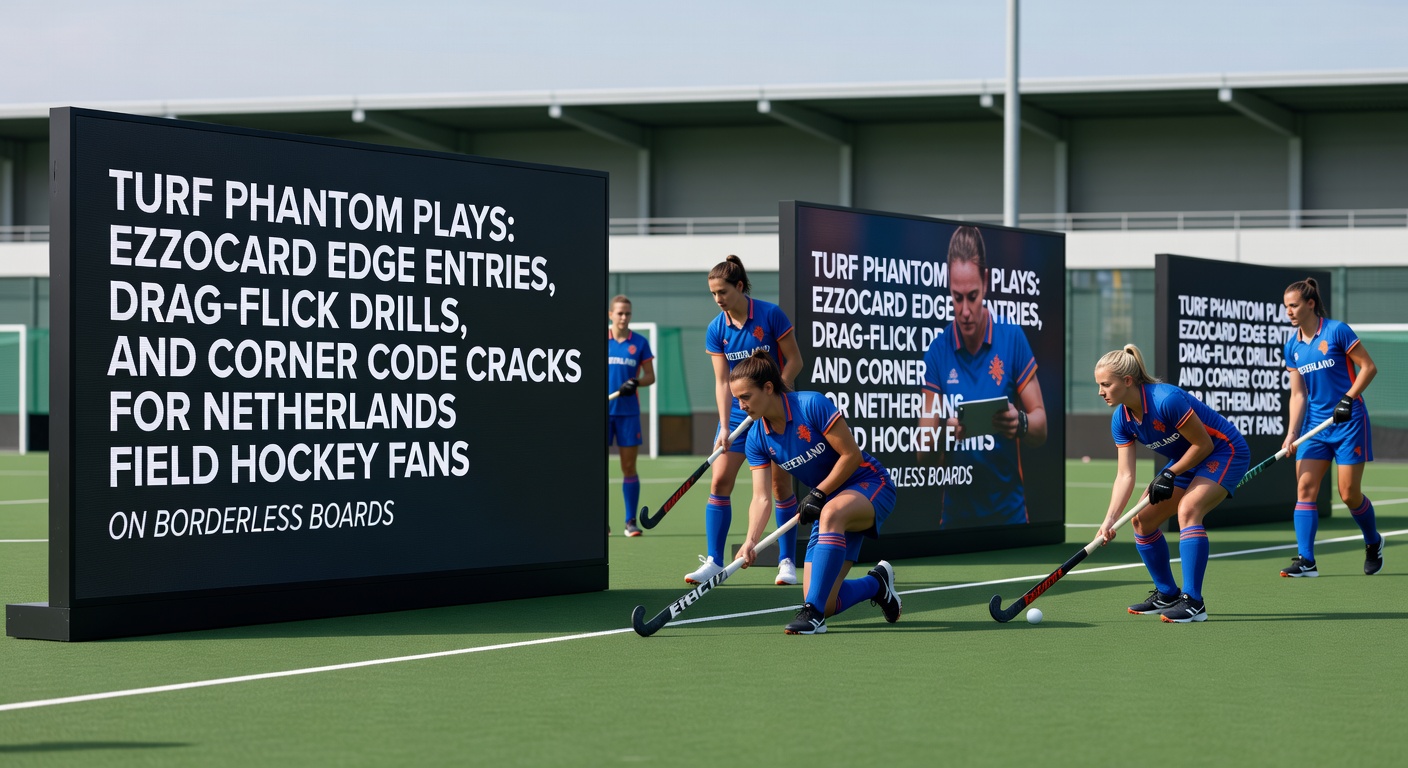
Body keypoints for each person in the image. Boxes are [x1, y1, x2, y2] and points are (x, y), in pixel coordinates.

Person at [730, 350, 902, 635]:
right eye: (737, 399)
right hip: (828, 502)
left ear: (768, 388)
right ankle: (878, 585)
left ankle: (813, 618)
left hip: (869, 485)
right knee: (824, 599)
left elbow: (851, 455)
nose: (741, 405)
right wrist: (750, 541)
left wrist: (819, 494)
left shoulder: (811, 404)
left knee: (831, 517)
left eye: (745, 396)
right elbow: (761, 498)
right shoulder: (756, 439)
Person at [1094, 344, 1250, 623]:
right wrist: (1109, 519)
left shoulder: (1166, 400)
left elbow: (1203, 444)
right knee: (1142, 520)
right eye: (1099, 385)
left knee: (1189, 510)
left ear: (1127, 381)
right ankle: (1167, 594)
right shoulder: (1122, 419)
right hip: (1186, 458)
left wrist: (1170, 473)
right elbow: (1125, 475)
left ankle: (1193, 602)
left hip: (1224, 450)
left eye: (1106, 384)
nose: (1100, 392)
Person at [918, 225, 1047, 527]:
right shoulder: (938, 351)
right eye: (957, 297)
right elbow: (923, 452)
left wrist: (1021, 422)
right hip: (955, 519)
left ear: (986, 283)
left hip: (1010, 515)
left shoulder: (1012, 338)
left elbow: (1041, 426)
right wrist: (944, 435)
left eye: (972, 296)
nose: (964, 310)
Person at [688, 255, 805, 586]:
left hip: (776, 410)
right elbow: (722, 382)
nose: (718, 299)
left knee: (779, 486)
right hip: (739, 414)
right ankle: (714, 561)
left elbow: (795, 359)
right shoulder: (717, 329)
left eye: (722, 291)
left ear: (739, 286)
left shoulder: (770, 315)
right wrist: (724, 425)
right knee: (719, 481)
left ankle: (786, 562)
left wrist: (773, 396)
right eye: (713, 294)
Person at [1278, 278, 1383, 577]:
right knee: (1305, 489)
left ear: (1311, 304)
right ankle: (1306, 560)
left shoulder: (1337, 331)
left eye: (1294, 305)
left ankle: (1373, 541)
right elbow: (1298, 394)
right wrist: (1292, 433)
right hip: (1316, 426)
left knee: (1349, 494)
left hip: (1349, 422)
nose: (1289, 312)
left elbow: (1369, 367)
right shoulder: (1293, 347)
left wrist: (1348, 398)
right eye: (1286, 307)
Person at [608, 295, 655, 537]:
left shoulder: (639, 342)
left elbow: (650, 376)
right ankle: (600, 522)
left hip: (628, 413)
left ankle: (630, 522)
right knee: (597, 468)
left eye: (627, 313)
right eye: (620, 313)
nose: (624, 317)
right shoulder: (600, 339)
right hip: (602, 413)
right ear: (611, 315)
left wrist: (635, 382)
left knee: (629, 467)